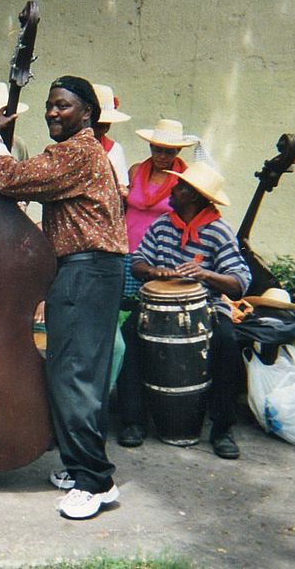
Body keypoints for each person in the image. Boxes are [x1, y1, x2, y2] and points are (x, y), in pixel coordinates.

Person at [0, 75, 127, 521]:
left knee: (75, 376)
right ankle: (81, 465)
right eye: (49, 105)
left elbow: (13, 178)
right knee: (75, 372)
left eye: (62, 106)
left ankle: (94, 483)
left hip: (86, 270)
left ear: (87, 113)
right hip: (86, 271)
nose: (51, 112)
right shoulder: (85, 151)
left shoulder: (78, 152)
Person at [115, 161, 251, 460]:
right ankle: (133, 422)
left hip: (207, 307)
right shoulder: (163, 225)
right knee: (127, 339)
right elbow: (137, 264)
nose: (172, 190)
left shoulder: (218, 231)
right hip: (155, 306)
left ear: (193, 196)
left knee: (227, 343)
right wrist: (154, 271)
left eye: (179, 187)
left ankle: (222, 430)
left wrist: (205, 275)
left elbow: (240, 283)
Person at [123, 119, 207, 303]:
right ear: (150, 146)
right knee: (125, 303)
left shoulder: (185, 179)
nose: (161, 156)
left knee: (154, 303)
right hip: (128, 246)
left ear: (178, 151)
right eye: (157, 149)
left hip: (161, 251)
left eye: (168, 152)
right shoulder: (135, 171)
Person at [91, 84, 130, 196]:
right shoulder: (69, 147)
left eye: (107, 123)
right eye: (99, 124)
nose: (105, 127)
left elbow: (121, 186)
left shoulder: (115, 149)